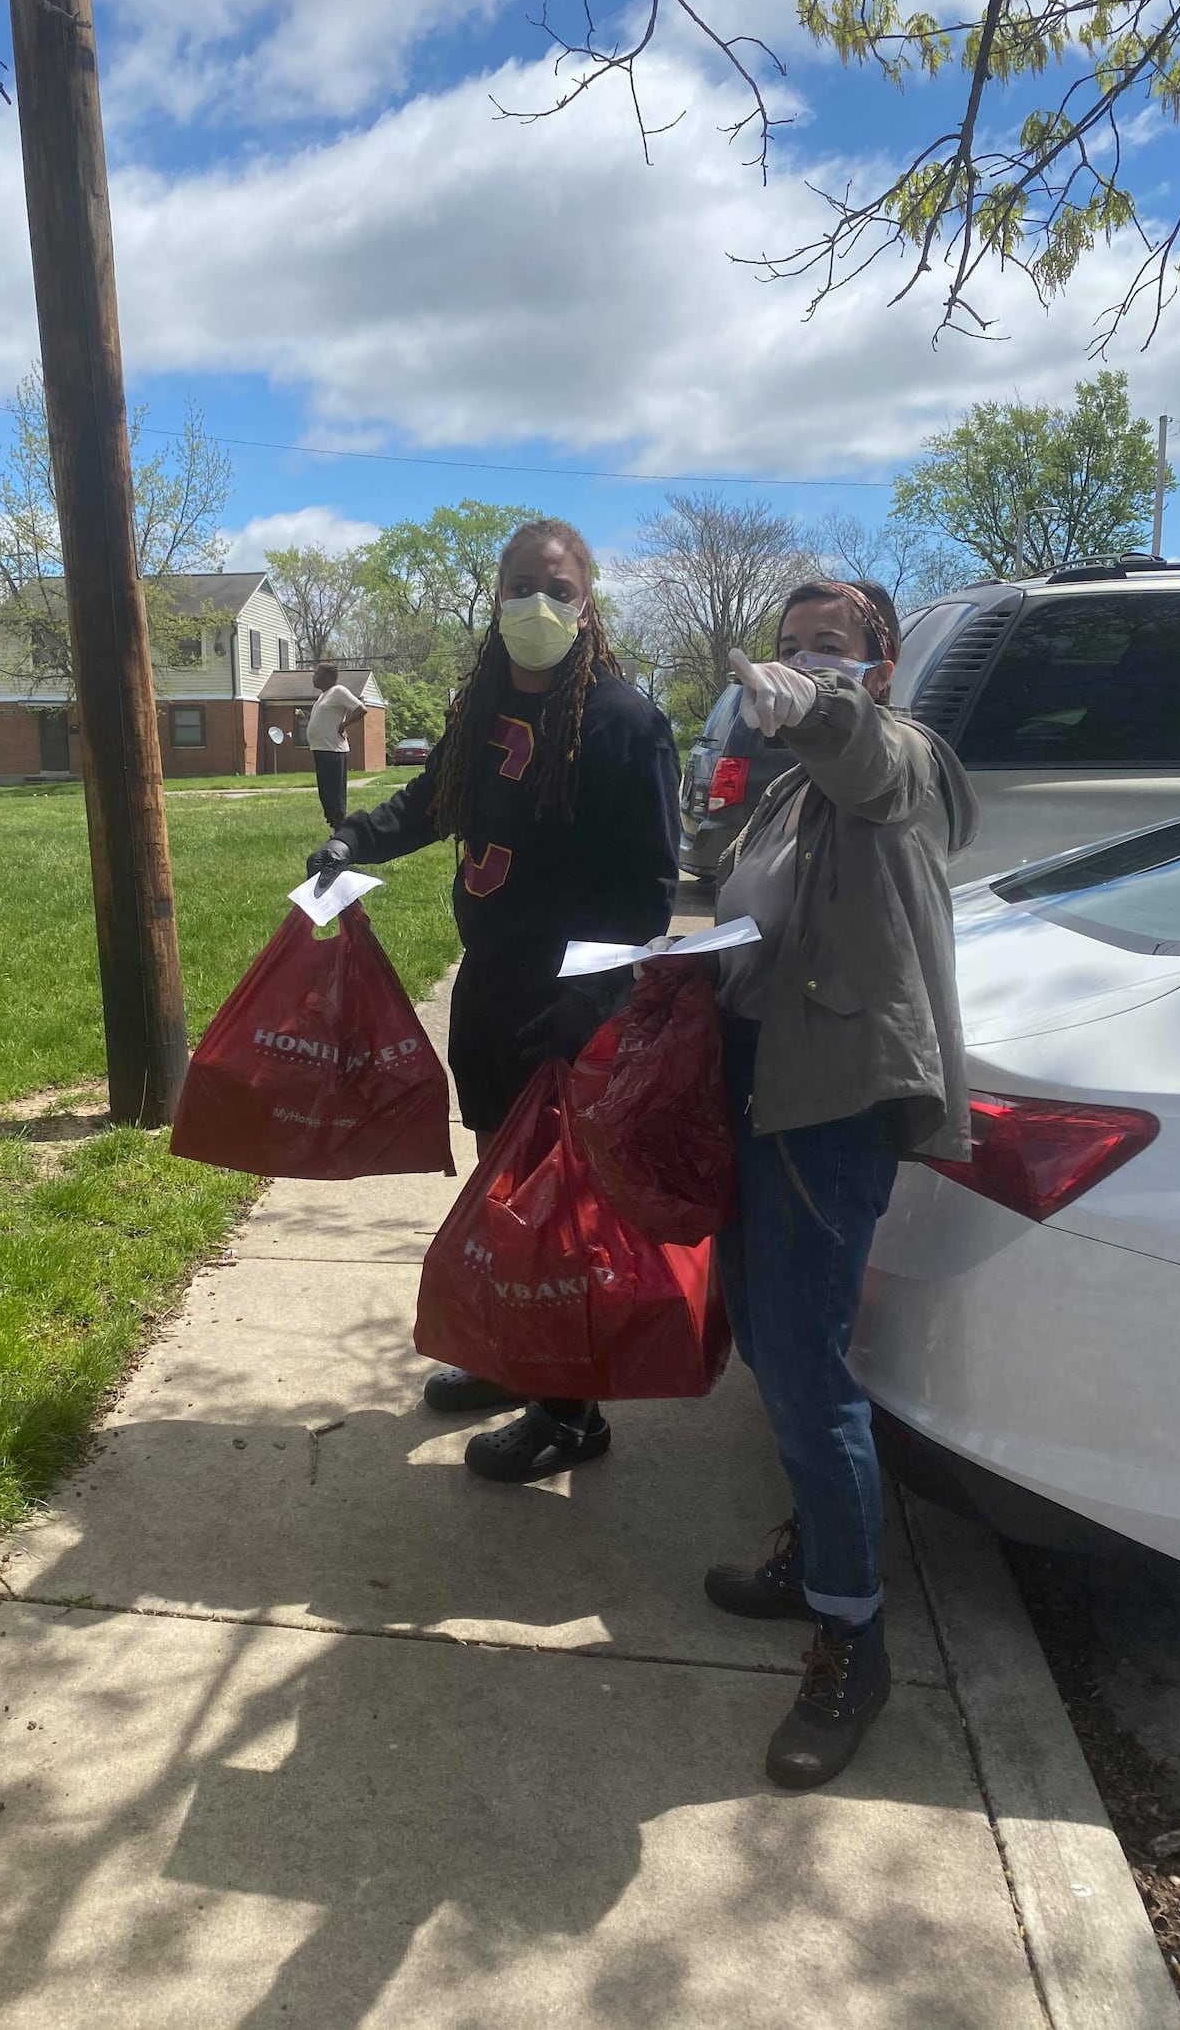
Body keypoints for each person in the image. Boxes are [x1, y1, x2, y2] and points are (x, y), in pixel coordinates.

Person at [306, 518, 681, 1482]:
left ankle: (572, 1412)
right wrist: (354, 839)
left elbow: (645, 892)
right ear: (497, 595)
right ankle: (516, 1354)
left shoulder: (623, 723)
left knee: (557, 1206)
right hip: (491, 984)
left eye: (558, 588)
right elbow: (430, 802)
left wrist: (592, 998)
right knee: (501, 1182)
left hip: (565, 1003)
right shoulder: (482, 711)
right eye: (522, 586)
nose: (538, 606)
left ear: (588, 601)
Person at [695, 578, 978, 1791]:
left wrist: (815, 704)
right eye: (793, 646)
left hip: (833, 1096)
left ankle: (853, 1640)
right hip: (764, 1081)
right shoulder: (787, 792)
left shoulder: (901, 755)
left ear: (882, 659)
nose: (808, 661)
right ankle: (813, 1551)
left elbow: (871, 764)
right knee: (765, 1336)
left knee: (812, 1367)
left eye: (835, 645)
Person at [306, 663, 366, 830]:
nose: (314, 677)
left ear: (330, 677)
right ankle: (334, 827)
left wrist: (344, 725)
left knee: (335, 795)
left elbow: (361, 709)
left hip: (333, 751)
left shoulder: (339, 691)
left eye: (317, 674)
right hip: (320, 749)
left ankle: (341, 830)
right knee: (325, 795)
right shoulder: (324, 695)